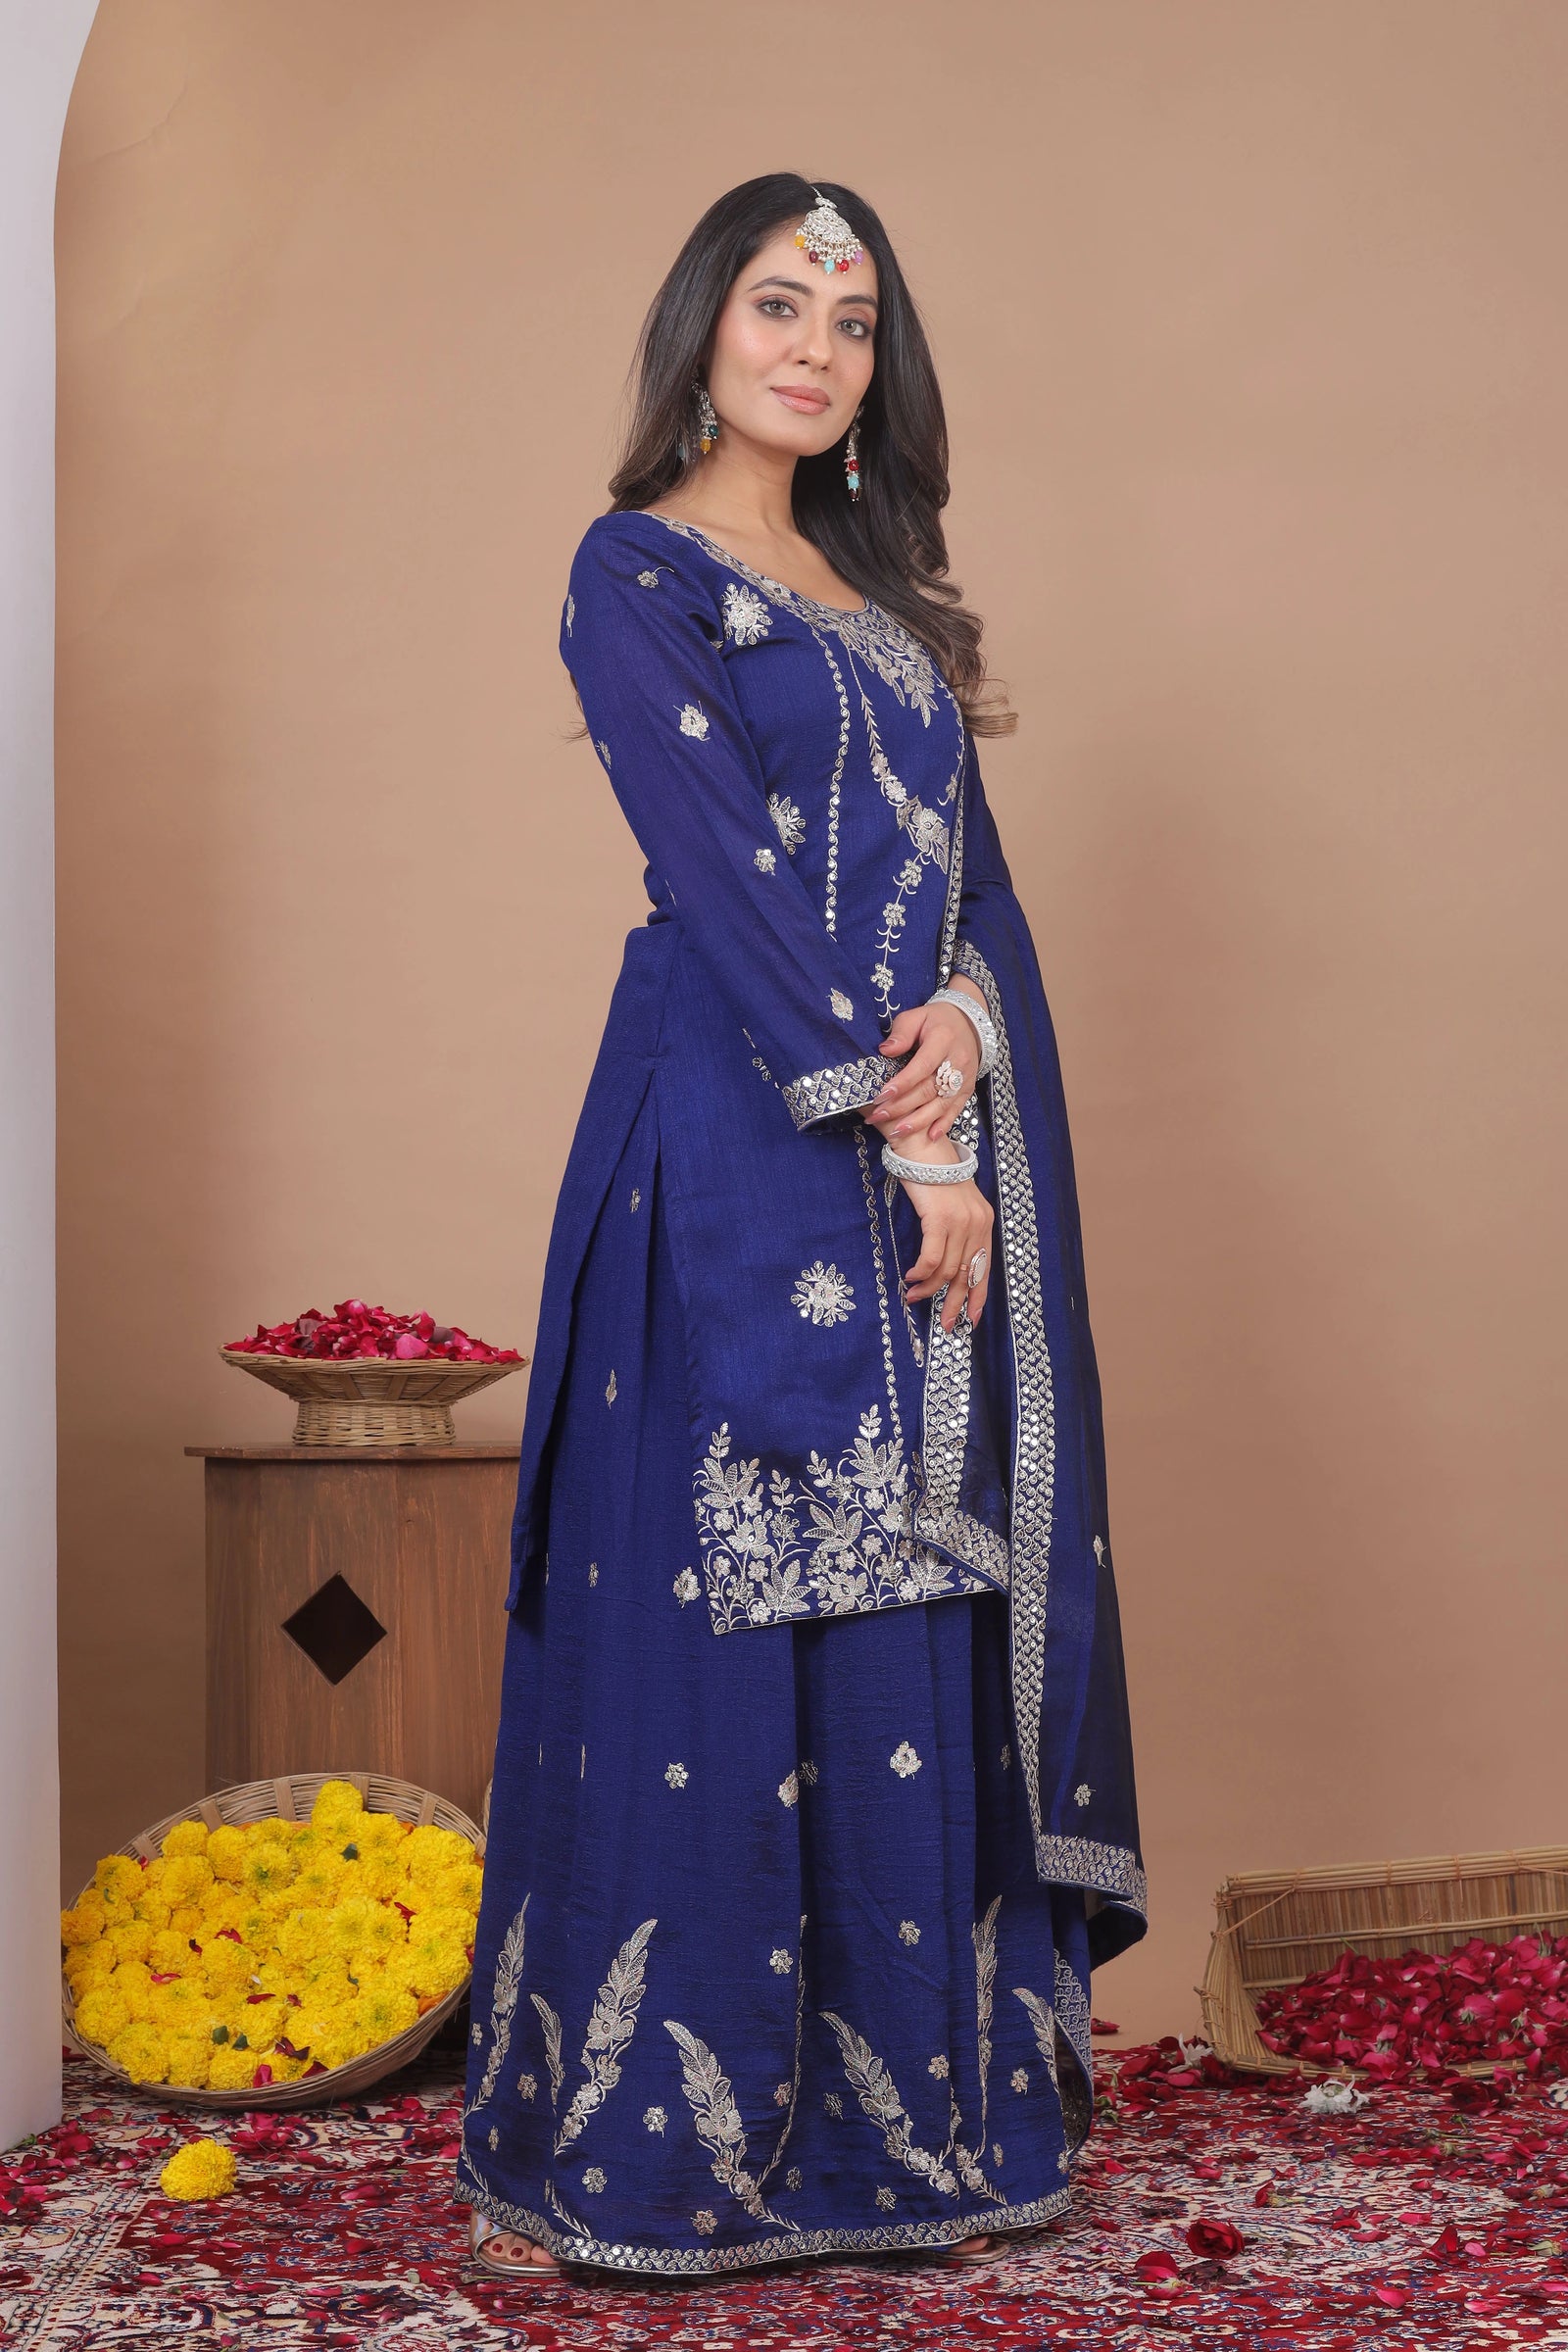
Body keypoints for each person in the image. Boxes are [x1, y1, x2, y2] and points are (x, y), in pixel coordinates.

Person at [456, 174, 1145, 2283]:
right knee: (728, 1605)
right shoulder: (633, 570)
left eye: (852, 320)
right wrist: (909, 1141)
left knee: (910, 1600)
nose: (816, 343)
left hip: (917, 1101)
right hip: (735, 1145)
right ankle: (680, 2137)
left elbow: (979, 888)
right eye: (780, 300)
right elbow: (728, 876)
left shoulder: (881, 598)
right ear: (705, 327)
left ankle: (907, 2125)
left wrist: (958, 1022)